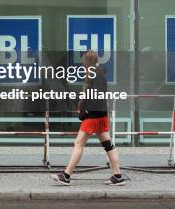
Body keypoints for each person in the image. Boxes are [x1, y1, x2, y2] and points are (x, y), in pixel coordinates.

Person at [51, 50, 124, 186]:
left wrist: (85, 111)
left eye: (84, 61)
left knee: (79, 144)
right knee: (108, 145)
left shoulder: (93, 75)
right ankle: (117, 175)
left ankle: (66, 175)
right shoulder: (100, 74)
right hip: (101, 114)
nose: (82, 64)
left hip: (93, 116)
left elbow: (93, 96)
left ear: (87, 61)